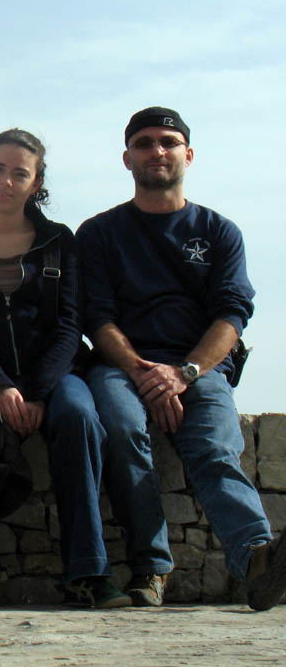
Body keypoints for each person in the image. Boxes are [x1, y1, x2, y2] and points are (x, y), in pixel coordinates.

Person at [78, 106, 286, 610]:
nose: (157, 151)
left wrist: (184, 373)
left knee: (215, 448)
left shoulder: (219, 231)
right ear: (127, 158)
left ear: (188, 155)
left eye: (168, 142)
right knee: (122, 430)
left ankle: (258, 563)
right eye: (144, 143)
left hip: (199, 369)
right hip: (122, 368)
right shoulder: (99, 234)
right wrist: (144, 372)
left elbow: (232, 314)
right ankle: (151, 568)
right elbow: (96, 317)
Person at [0, 129, 127, 609]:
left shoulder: (59, 241)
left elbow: (70, 323)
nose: (6, 182)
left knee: (80, 416)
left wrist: (36, 390)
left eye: (20, 174)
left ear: (36, 184)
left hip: (52, 377)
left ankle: (90, 572)